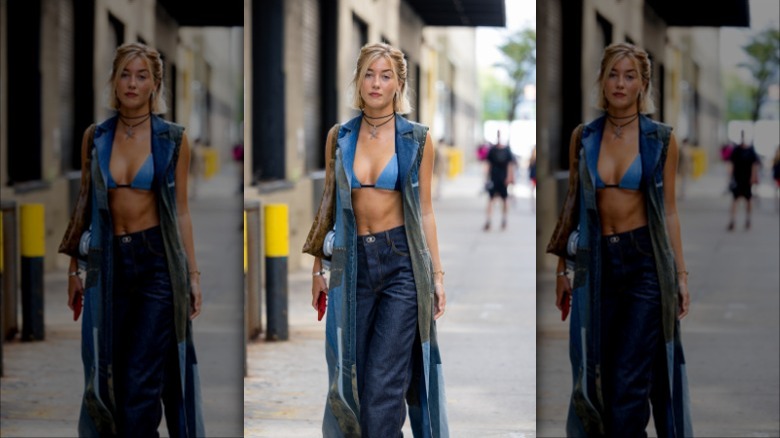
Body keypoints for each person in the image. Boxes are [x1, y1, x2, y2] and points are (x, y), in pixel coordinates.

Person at [59, 42, 204, 437]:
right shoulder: (97, 137)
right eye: (125, 74)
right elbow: (85, 205)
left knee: (142, 380)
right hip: (108, 266)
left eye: (142, 76)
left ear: (156, 84)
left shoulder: (173, 140)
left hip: (156, 265)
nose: (132, 83)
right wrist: (75, 268)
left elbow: (183, 210)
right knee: (110, 376)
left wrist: (193, 274)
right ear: (114, 80)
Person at [547, 42, 691, 436]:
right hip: (597, 266)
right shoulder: (585, 137)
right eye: (613, 74)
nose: (620, 83)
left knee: (630, 382)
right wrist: (564, 268)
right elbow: (573, 206)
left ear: (644, 84)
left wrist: (680, 274)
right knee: (597, 378)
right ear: (602, 80)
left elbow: (671, 211)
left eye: (630, 76)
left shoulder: (661, 140)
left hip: (644, 265)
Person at [310, 42, 448, 437]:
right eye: (369, 73)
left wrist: (437, 276)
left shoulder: (417, 139)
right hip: (350, 264)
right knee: (349, 380)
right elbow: (329, 207)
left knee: (384, 387)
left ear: (399, 83)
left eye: (385, 75)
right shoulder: (340, 136)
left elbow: (424, 211)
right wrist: (318, 268)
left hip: (401, 265)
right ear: (358, 80)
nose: (376, 82)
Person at [483, 130, 517, 230]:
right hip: (494, 178)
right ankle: (488, 220)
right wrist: (486, 178)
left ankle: (504, 219)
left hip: (503, 178)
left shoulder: (507, 151)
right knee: (490, 199)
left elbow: (510, 165)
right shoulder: (492, 150)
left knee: (505, 199)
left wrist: (510, 177)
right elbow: (488, 164)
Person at [727, 130, 760, 230]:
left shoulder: (751, 151)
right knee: (734, 200)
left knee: (748, 200)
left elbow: (755, 164)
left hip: (747, 179)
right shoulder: (736, 150)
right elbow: (731, 164)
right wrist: (730, 177)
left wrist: (753, 177)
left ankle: (748, 220)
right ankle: (732, 221)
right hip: (737, 179)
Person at [529, 146, 537, 212]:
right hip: (534, 177)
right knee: (533, 193)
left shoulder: (532, 159)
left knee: (533, 193)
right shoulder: (532, 159)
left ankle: (534, 206)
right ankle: (534, 206)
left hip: (534, 177)